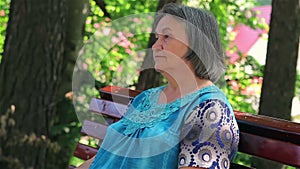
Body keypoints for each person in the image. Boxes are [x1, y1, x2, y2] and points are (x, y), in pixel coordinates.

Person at [77, 3, 239, 169]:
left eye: (167, 37)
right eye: (157, 37)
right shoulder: (146, 99)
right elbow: (104, 158)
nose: (155, 46)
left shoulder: (211, 109)